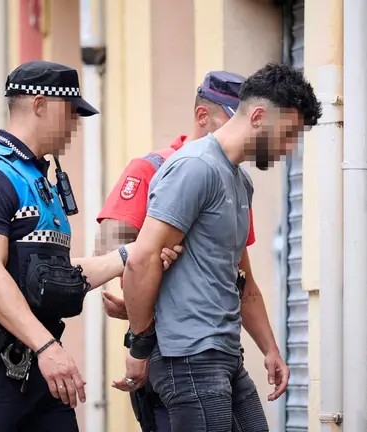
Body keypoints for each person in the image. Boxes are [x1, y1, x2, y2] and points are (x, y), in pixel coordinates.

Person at [0, 60, 182, 432]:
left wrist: (131, 255)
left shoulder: (38, 180)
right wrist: (46, 348)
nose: (76, 125)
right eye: (71, 114)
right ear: (40, 105)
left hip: (38, 367)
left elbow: (54, 277)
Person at [114, 63, 322, 431]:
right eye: (287, 134)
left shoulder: (241, 183)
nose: (289, 148)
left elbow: (242, 280)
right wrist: (139, 347)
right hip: (188, 356)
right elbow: (141, 258)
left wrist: (270, 349)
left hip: (224, 353)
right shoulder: (195, 167)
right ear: (258, 116)